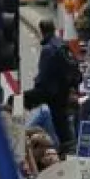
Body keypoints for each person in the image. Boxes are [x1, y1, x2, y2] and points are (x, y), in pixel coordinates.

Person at [27, 19, 79, 152]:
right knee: (61, 123)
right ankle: (66, 148)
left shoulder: (48, 49)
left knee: (18, 100)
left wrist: (36, 88)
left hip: (51, 93)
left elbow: (43, 75)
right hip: (63, 91)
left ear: (42, 31)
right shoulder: (62, 45)